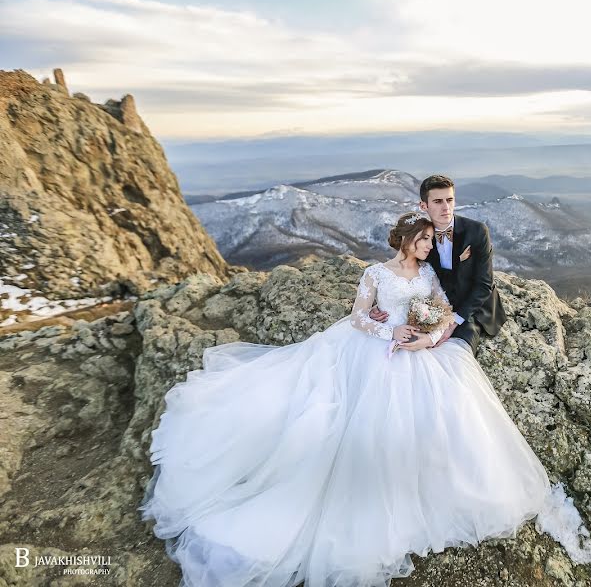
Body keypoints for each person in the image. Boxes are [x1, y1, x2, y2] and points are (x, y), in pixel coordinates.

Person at [138, 211, 553, 587]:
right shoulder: (375, 273)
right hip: (375, 347)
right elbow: (358, 317)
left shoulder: (428, 276)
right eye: (423, 240)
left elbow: (443, 310)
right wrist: (390, 331)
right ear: (406, 240)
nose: (429, 246)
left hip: (420, 348)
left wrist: (428, 335)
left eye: (431, 240)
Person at [369, 175, 506, 357]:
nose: (446, 207)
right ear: (424, 206)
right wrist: (381, 306)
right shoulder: (419, 237)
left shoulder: (476, 232)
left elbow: (484, 284)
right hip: (433, 307)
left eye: (450, 200)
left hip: (472, 306)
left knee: (458, 353)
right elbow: (404, 273)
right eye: (438, 201)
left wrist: (453, 322)